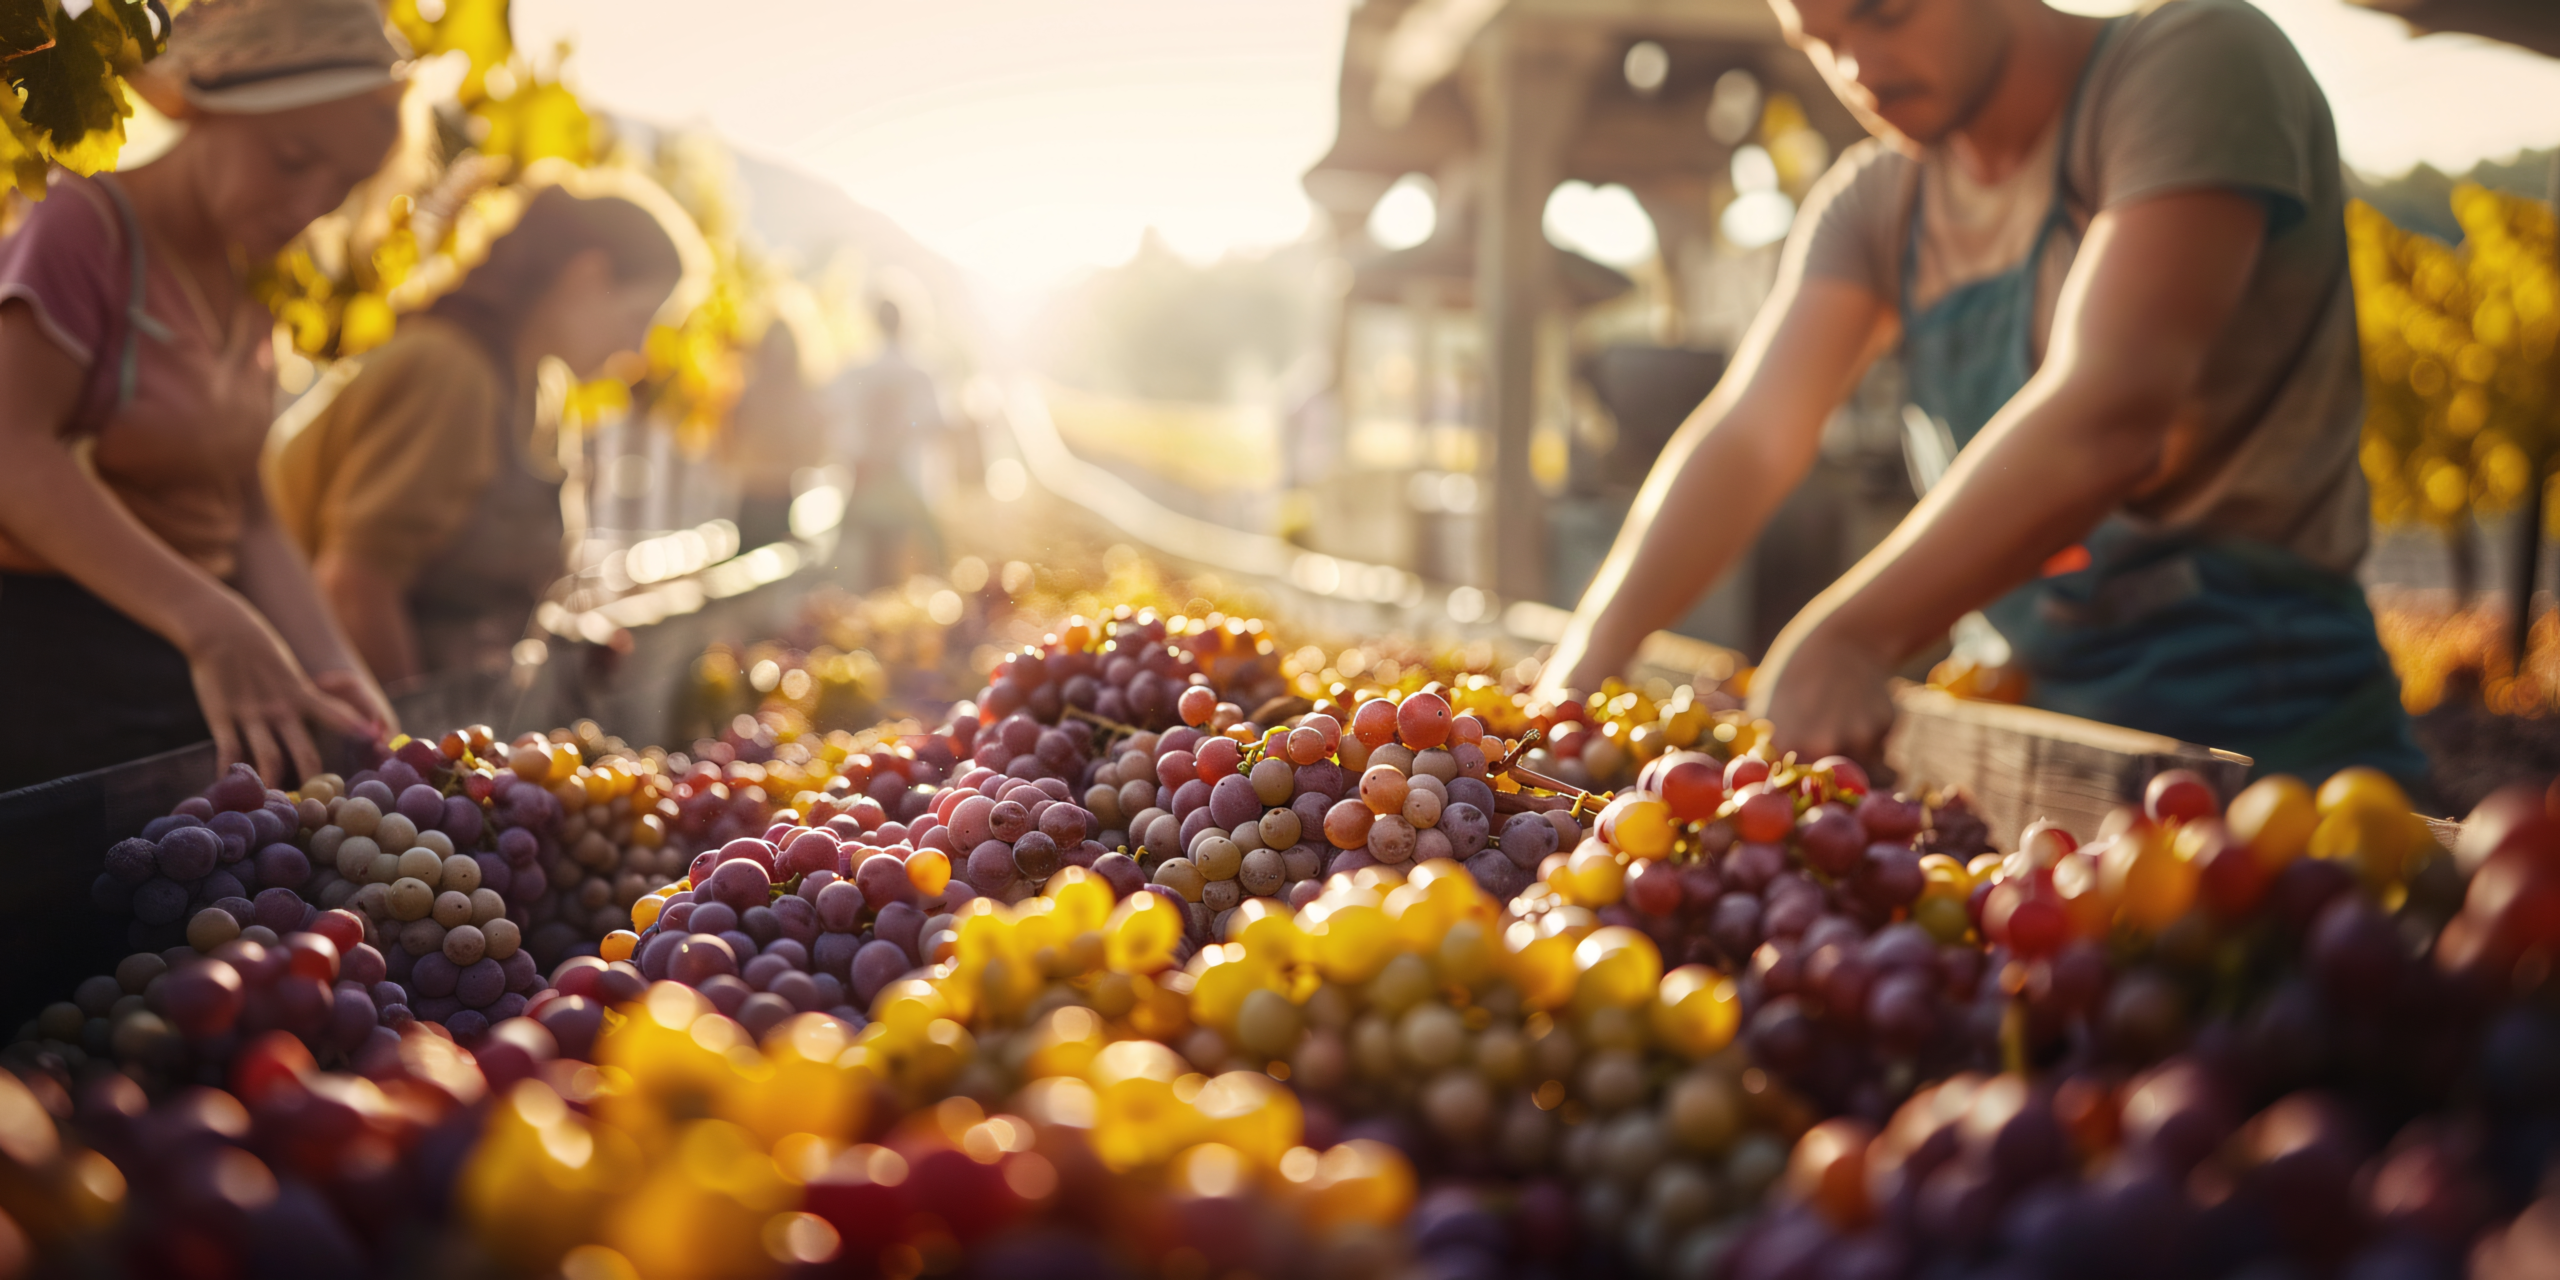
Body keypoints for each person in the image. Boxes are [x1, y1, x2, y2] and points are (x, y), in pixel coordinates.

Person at [1540, 0, 2425, 785]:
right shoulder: (1876, 204)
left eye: (1886, 11)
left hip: (2271, 741)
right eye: (1821, 39)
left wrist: (1853, 634)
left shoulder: (2196, 61)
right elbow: (1750, 436)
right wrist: (1583, 667)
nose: (1857, 66)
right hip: (2025, 735)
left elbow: (2110, 415)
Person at [0, 0, 405, 790]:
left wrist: (336, 668)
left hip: (178, 673)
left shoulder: (249, 274)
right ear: (211, 107)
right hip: (45, 677)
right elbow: (13, 452)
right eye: (292, 159)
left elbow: (245, 508)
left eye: (345, 183)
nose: (312, 204)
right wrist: (209, 620)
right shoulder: (81, 224)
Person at [270, 185, 683, 684]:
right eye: (638, 319)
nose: (636, 351)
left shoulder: (542, 391)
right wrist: (415, 727)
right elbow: (352, 587)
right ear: (587, 276)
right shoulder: (451, 374)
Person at [825, 299, 948, 586]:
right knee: (904, 563)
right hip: (905, 483)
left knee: (867, 563)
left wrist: (862, 455)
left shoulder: (855, 371)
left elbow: (833, 421)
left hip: (865, 478)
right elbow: (936, 425)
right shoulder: (919, 374)